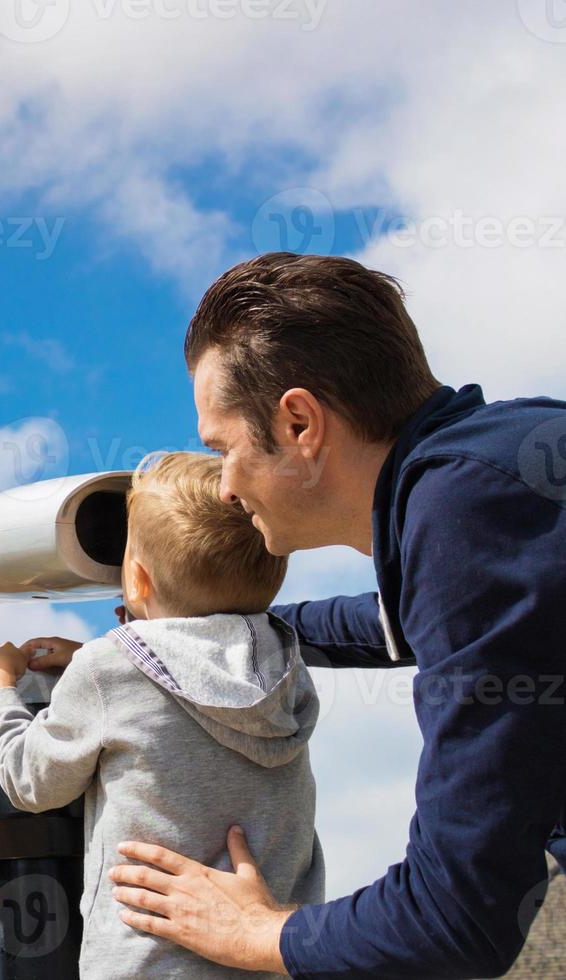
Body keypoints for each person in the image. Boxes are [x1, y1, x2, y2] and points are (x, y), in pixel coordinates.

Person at [106, 252, 566, 978]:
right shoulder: (498, 464)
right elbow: (392, 622)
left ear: (298, 423)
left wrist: (260, 934)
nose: (224, 488)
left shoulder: (465, 516)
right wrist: (223, 630)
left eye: (222, 448)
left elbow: (457, 918)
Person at [0, 451, 325, 979]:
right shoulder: (284, 668)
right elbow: (196, 669)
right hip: (267, 958)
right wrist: (122, 654)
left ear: (135, 579)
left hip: (147, 964)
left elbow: (34, 780)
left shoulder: (106, 671)